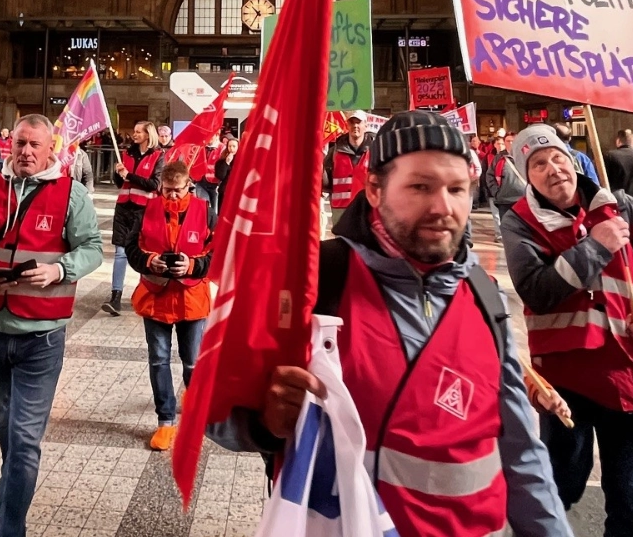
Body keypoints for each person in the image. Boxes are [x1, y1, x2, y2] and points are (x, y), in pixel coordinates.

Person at [211, 110, 573, 537]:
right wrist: (263, 423)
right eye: (420, 186)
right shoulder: (317, 282)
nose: (443, 207)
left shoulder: (483, 291)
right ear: (375, 190)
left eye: (457, 189)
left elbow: (522, 453)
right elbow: (215, 414)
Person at [497, 123, 633, 537]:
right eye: (539, 163)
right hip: (566, 384)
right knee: (556, 495)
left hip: (631, 376)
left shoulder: (624, 209)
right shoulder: (520, 224)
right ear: (526, 174)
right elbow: (538, 291)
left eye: (558, 158)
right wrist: (596, 246)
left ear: (573, 160)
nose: (553, 169)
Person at [0, 114, 101, 535]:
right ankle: (10, 481)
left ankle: (10, 527)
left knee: (25, 439)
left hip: (42, 336)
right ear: (8, 145)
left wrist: (60, 270)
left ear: (52, 148)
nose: (26, 152)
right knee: (4, 424)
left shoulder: (72, 194)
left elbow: (92, 249)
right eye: (20, 144)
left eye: (35, 145)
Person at [127, 161, 213, 451]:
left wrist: (193, 265)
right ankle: (165, 421)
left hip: (192, 299)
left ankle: (196, 405)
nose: (173, 196)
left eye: (178, 191)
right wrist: (150, 261)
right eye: (167, 190)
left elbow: (219, 250)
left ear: (188, 185)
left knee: (192, 361)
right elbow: (131, 249)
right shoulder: (146, 211)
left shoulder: (205, 211)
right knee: (159, 360)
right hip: (155, 297)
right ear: (160, 186)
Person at [105, 121, 163, 317]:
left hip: (144, 209)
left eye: (139, 131)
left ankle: (144, 293)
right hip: (123, 207)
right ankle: (115, 297)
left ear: (148, 134)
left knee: (143, 253)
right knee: (120, 252)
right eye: (135, 130)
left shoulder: (158, 155)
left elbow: (154, 184)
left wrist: (129, 175)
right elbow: (120, 183)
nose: (134, 134)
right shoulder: (127, 153)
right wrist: (118, 174)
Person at [322, 111, 372, 229]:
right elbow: (326, 183)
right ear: (347, 125)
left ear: (366, 125)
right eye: (352, 122)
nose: (355, 126)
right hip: (340, 211)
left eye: (358, 122)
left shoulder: (376, 151)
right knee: (341, 245)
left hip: (367, 208)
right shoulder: (334, 152)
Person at [191, 131, 223, 222]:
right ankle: (204, 227)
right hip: (201, 182)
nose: (208, 139)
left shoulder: (222, 148)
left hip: (215, 184)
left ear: (217, 135)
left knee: (214, 209)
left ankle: (213, 229)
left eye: (210, 136)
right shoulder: (201, 148)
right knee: (203, 207)